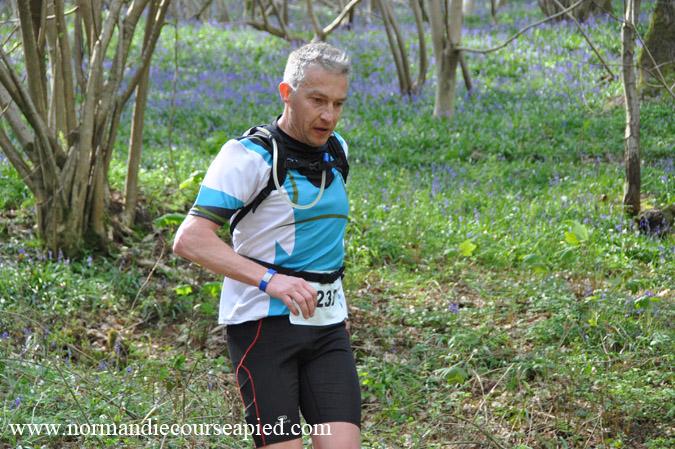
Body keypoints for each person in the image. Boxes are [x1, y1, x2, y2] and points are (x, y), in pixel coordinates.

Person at [173, 42, 360, 449]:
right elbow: (190, 239)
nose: (329, 115)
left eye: (338, 104)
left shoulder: (338, 151)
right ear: (286, 93)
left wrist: (335, 300)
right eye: (317, 100)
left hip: (326, 328)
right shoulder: (249, 156)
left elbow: (322, 240)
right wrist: (271, 281)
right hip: (262, 327)